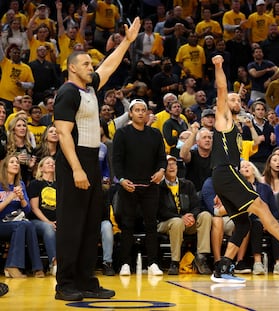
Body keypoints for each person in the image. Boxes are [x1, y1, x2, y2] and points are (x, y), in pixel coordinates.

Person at [210, 55, 279, 283]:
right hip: (226, 172)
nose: (236, 101)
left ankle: (223, 268)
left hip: (226, 175)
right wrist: (219, 66)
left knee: (243, 223)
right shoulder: (223, 119)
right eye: (232, 99)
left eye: (238, 99)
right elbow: (221, 88)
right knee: (260, 205)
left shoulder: (237, 128)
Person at [53, 17, 141, 301]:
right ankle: (65, 284)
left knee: (91, 223)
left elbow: (109, 66)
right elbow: (63, 134)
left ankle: (86, 280)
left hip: (92, 160)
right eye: (87, 64)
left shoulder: (88, 88)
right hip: (74, 162)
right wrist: (77, 169)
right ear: (73, 68)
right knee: (72, 224)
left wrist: (127, 42)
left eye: (92, 64)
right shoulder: (67, 92)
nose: (92, 67)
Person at [113, 99, 166, 277]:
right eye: (137, 110)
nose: (141, 113)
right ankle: (125, 264)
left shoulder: (155, 134)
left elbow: (161, 158)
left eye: (144, 110)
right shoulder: (122, 133)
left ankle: (153, 263)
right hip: (128, 187)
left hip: (150, 186)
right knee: (127, 225)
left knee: (151, 225)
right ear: (130, 113)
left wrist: (161, 171)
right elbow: (117, 161)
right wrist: (121, 180)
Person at [157, 155, 212, 275]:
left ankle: (201, 257)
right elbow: (160, 211)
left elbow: (197, 205)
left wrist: (192, 215)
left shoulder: (187, 184)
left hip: (187, 222)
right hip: (165, 223)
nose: (171, 167)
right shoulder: (158, 188)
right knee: (177, 222)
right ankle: (175, 262)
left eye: (174, 164)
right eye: (168, 164)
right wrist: (181, 217)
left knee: (205, 216)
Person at [0, 154, 44, 278]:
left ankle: (37, 268)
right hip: (1, 223)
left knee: (28, 225)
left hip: (16, 222)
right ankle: (12, 265)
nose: (16, 164)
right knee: (22, 225)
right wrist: (9, 199)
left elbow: (28, 210)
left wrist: (21, 198)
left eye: (17, 163)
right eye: (12, 162)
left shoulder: (20, 184)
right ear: (5, 166)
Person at [28, 156, 57, 276]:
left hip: (56, 220)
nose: (51, 164)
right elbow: (34, 208)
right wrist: (49, 222)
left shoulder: (59, 184)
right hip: (37, 221)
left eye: (53, 163)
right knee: (48, 228)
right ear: (41, 168)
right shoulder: (36, 184)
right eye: (48, 163)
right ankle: (54, 264)